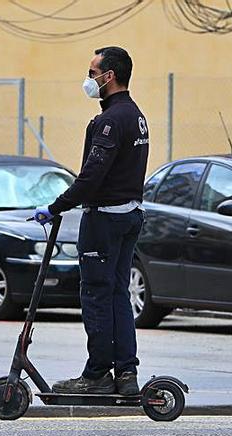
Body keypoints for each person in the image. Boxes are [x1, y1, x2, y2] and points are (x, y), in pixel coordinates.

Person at [34, 46, 149, 396]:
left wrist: (56, 207)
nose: (89, 79)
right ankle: (126, 374)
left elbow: (92, 175)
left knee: (96, 295)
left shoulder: (110, 120)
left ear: (109, 76)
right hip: (129, 214)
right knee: (117, 294)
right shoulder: (136, 115)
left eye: (92, 72)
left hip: (104, 220)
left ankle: (97, 374)